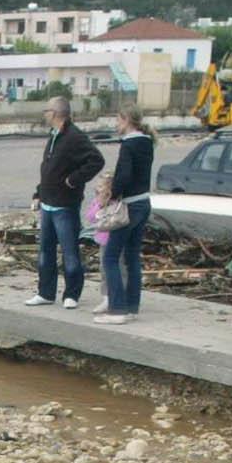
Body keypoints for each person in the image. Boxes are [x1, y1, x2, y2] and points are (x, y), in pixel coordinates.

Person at [25, 99, 102, 309]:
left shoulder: (74, 137)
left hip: (65, 205)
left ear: (56, 113)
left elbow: (96, 160)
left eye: (46, 110)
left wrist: (73, 180)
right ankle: (45, 292)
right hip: (48, 204)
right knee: (45, 251)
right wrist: (38, 193)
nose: (44, 114)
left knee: (69, 251)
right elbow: (48, 170)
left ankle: (72, 294)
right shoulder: (54, 136)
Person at [95, 108, 156, 325]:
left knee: (110, 257)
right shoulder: (147, 142)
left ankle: (117, 310)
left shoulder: (128, 145)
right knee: (132, 257)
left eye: (117, 119)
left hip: (128, 206)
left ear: (126, 119)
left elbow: (125, 176)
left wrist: (110, 196)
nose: (116, 124)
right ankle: (131, 307)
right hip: (144, 202)